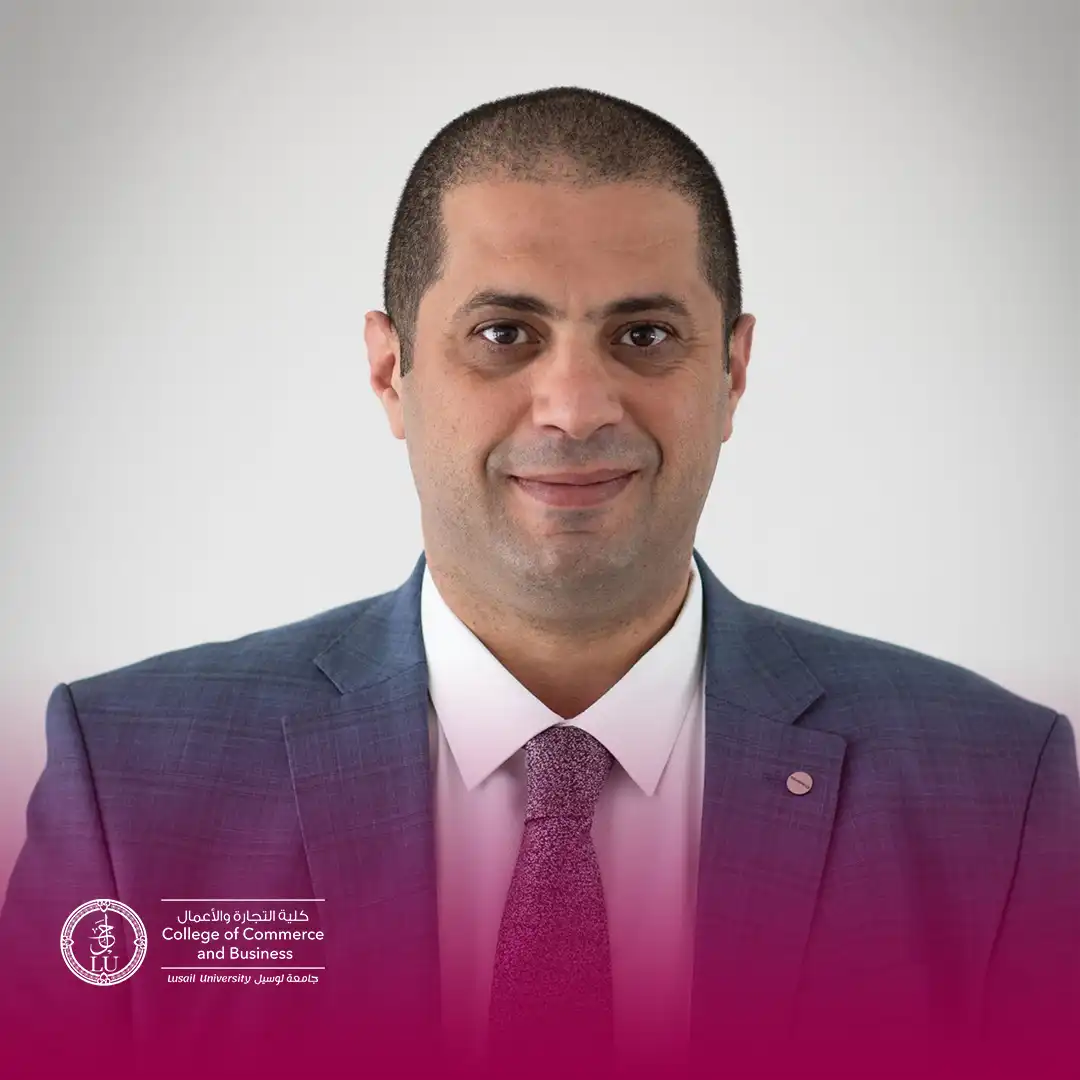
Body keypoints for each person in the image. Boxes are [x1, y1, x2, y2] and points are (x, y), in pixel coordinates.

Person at [1, 86, 1077, 1080]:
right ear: (390, 370)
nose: (573, 407)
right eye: (503, 335)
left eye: (644, 335)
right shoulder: (130, 780)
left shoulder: (997, 792)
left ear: (734, 371)